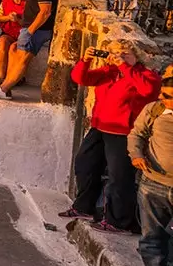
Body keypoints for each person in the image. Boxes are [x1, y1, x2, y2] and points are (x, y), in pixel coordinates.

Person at [61, 42, 159, 234]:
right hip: (100, 126)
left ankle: (119, 221)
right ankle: (84, 207)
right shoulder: (109, 72)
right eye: (115, 53)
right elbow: (81, 77)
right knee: (85, 165)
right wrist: (86, 60)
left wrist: (125, 66)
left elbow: (148, 90)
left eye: (125, 53)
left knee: (119, 177)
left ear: (137, 56)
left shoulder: (146, 75)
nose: (119, 56)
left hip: (123, 132)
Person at [130, 70, 173, 266]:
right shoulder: (154, 110)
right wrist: (136, 154)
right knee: (152, 238)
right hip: (154, 184)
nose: (170, 102)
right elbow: (137, 134)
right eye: (166, 96)